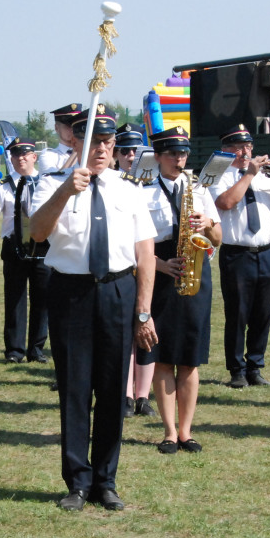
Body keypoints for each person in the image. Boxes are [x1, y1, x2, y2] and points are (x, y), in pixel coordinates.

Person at [30, 105, 158, 512]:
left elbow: (145, 254)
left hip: (117, 290)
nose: (101, 149)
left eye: (107, 142)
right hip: (71, 292)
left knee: (111, 389)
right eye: (93, 142)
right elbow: (36, 232)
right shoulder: (52, 184)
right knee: (74, 388)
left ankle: (106, 479)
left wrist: (143, 310)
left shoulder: (130, 189)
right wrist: (66, 190)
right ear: (75, 141)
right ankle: (77, 481)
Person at [138, 127, 222, 453]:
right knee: (163, 357)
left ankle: (187, 431)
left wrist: (209, 225)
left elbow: (218, 241)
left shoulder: (199, 190)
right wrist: (159, 265)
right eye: (172, 153)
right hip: (160, 274)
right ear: (158, 156)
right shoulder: (143, 192)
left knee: (190, 357)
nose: (179, 158)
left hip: (196, 273)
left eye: (183, 153)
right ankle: (169, 432)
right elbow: (133, 245)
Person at [208, 124, 270, 389]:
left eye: (248, 147)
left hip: (267, 251)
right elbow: (225, 203)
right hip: (237, 253)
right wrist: (248, 174)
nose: (246, 152)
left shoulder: (266, 175)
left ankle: (256, 366)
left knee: (263, 312)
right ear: (227, 150)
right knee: (237, 313)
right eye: (239, 148)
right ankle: (236, 369)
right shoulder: (220, 174)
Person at [0, 137, 51, 364]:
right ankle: (14, 351)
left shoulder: (47, 183)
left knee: (43, 299)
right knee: (15, 299)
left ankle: (36, 350)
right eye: (16, 154)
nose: (21, 158)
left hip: (43, 246)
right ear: (10, 158)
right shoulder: (3, 185)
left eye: (25, 153)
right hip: (14, 247)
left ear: (34, 157)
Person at [111, 121, 154, 416]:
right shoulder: (111, 185)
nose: (129, 156)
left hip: (154, 266)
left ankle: (144, 395)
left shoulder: (153, 184)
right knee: (125, 336)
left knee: (149, 334)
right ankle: (125, 394)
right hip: (123, 266)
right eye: (124, 150)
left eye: (134, 151)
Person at [37, 103, 82, 173]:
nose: (73, 129)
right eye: (68, 126)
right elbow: (55, 180)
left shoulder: (87, 152)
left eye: (76, 125)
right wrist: (76, 152)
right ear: (57, 128)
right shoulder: (48, 156)